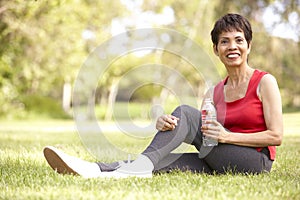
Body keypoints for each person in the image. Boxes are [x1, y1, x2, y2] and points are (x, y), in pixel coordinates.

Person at [43, 13, 283, 178]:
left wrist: (226, 136)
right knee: (160, 162)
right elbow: (200, 132)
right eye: (224, 41)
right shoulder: (214, 92)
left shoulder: (264, 82)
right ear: (216, 49)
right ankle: (93, 169)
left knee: (187, 114)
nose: (232, 46)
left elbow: (276, 136)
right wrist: (167, 126)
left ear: (248, 46)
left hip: (255, 162)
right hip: (219, 158)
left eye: (238, 40)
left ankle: (136, 167)